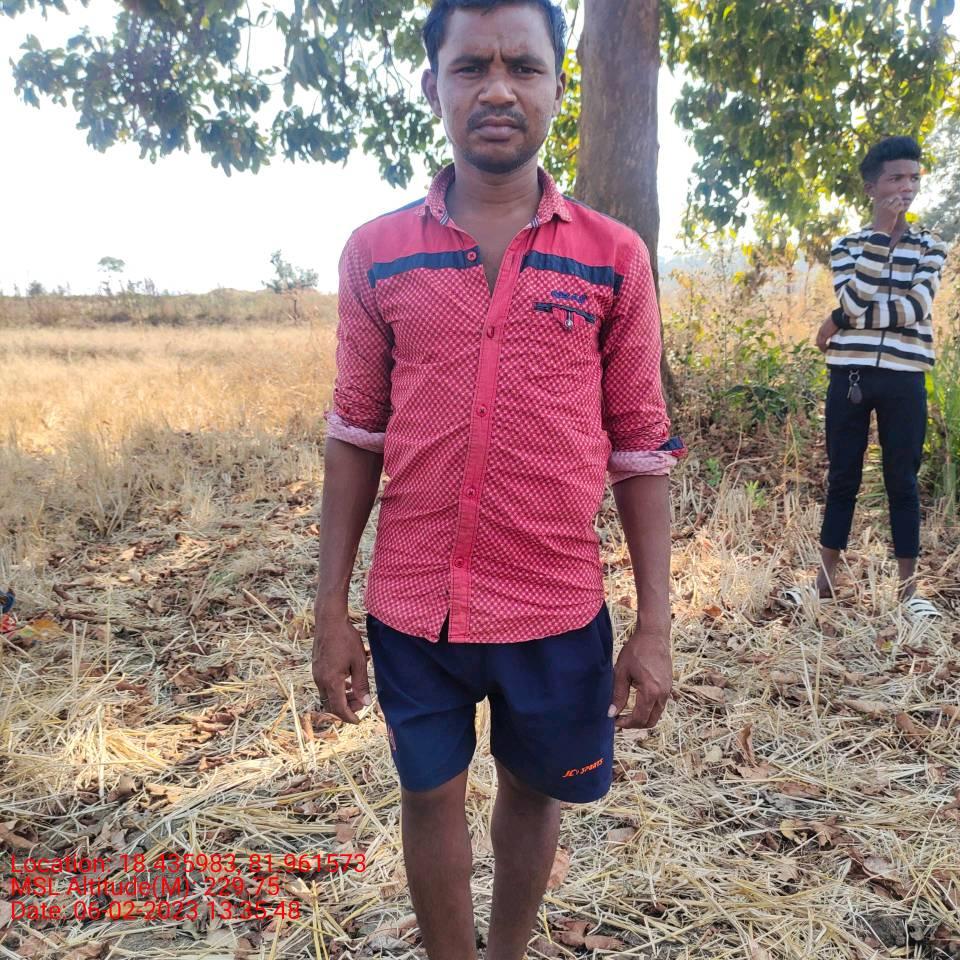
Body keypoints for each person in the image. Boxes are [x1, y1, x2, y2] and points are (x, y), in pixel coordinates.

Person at [311, 2, 685, 958]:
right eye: (471, 66)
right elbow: (354, 435)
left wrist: (652, 626)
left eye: (524, 66)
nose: (498, 89)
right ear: (431, 85)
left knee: (533, 791)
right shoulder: (376, 254)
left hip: (554, 605)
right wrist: (329, 610)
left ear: (559, 86)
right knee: (428, 795)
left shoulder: (613, 258)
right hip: (413, 607)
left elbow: (641, 449)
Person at [786, 135, 948, 620]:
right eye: (896, 178)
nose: (906, 188)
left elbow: (915, 308)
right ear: (871, 187)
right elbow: (855, 299)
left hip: (906, 378)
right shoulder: (847, 246)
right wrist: (879, 235)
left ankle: (909, 592)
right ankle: (823, 583)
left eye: (913, 178)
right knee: (842, 477)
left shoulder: (931, 247)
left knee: (903, 480)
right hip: (850, 374)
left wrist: (838, 320)